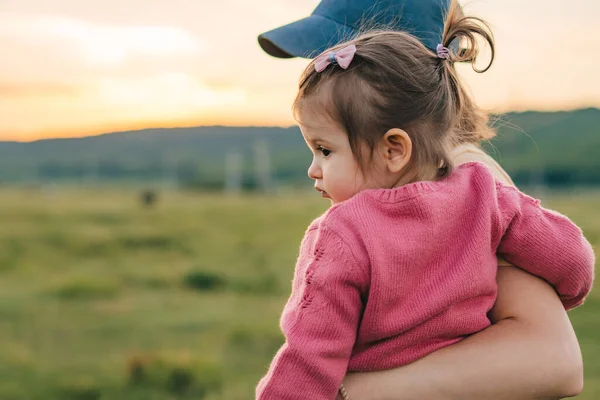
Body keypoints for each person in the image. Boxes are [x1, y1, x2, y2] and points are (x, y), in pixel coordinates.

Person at [255, 1, 596, 399]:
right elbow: (572, 263)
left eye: (335, 56)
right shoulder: (478, 190)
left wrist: (349, 393)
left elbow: (554, 360)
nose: (321, 70)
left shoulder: (470, 174)